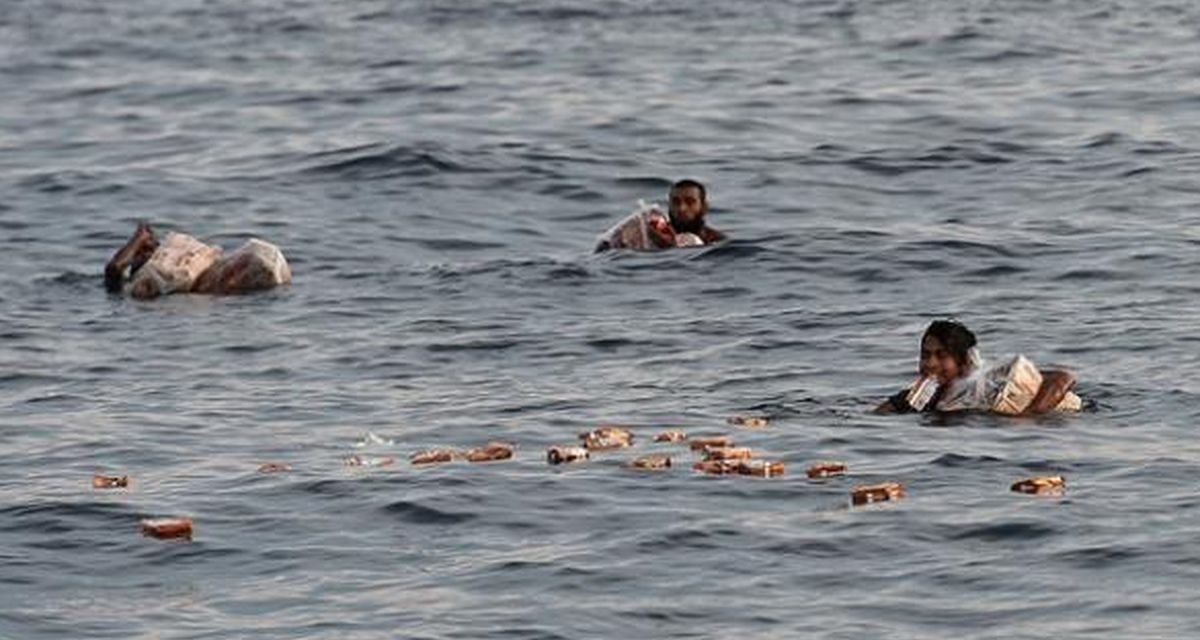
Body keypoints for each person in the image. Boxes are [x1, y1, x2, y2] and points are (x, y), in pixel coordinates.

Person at [874, 319, 1081, 415]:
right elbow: (878, 415)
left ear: (964, 362)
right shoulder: (917, 399)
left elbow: (1062, 378)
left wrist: (1030, 415)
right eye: (925, 355)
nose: (930, 364)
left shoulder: (986, 383)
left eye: (942, 356)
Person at [105, 222, 292, 299]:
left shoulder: (220, 287)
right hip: (183, 269)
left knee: (116, 284)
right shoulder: (211, 280)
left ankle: (143, 242)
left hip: (183, 267)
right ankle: (142, 239)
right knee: (114, 278)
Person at [594, 179, 727, 252]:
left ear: (704, 207)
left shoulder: (717, 242)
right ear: (669, 206)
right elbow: (603, 250)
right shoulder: (650, 232)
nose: (681, 208)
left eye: (690, 202)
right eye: (676, 202)